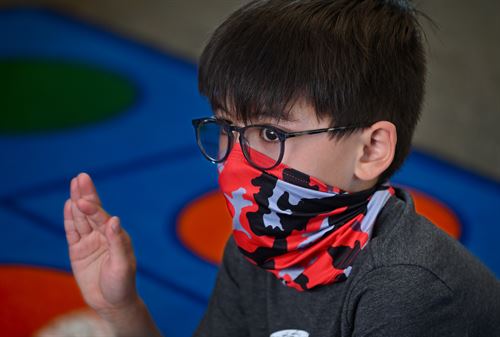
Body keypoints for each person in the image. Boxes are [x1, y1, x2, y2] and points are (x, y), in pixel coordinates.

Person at [63, 0, 500, 336]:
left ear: (370, 150)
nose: (235, 159)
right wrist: (120, 309)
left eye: (271, 134)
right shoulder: (263, 245)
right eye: (227, 127)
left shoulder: (408, 289)